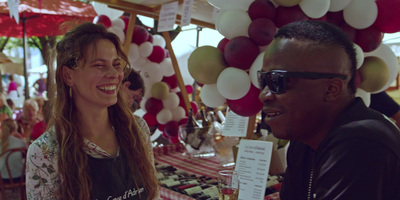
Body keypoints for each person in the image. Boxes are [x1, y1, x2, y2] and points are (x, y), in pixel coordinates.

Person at [258, 21, 400, 199]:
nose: (264, 95)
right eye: (263, 80)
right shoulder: (305, 139)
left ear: (332, 89)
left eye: (277, 81)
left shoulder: (361, 141)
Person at [26, 22, 158, 200]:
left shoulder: (138, 129)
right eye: (99, 65)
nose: (114, 74)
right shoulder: (45, 152)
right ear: (68, 75)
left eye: (116, 64)